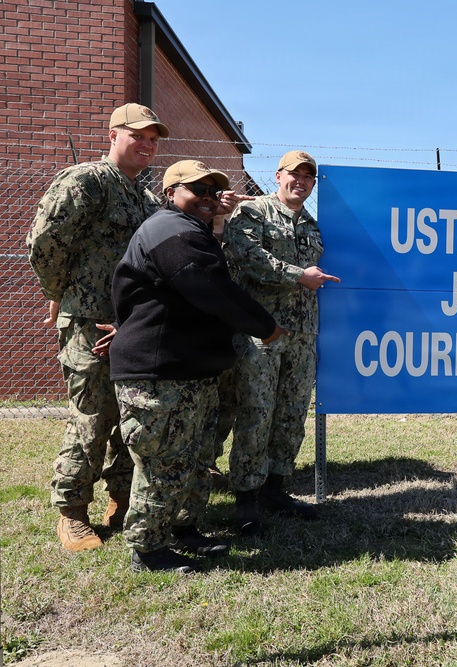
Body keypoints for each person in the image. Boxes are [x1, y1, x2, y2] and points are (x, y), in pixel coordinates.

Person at [110, 160, 283, 573]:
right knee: (164, 461)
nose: (207, 197)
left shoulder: (191, 231)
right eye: (196, 190)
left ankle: (184, 529)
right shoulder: (172, 231)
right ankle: (147, 549)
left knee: (194, 458)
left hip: (188, 370)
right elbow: (208, 287)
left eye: (211, 191)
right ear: (170, 193)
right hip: (159, 374)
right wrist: (266, 327)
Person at [27, 103, 168, 551]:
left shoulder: (144, 197)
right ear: (112, 135)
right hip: (89, 320)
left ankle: (121, 498)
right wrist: (63, 295)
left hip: (133, 323)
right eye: (137, 135)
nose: (146, 144)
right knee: (93, 416)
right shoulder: (85, 181)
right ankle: (71, 512)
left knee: (131, 414)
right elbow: (44, 244)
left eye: (153, 139)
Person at [225, 150, 339, 535]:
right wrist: (297, 275)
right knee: (256, 413)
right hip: (262, 332)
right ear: (278, 175)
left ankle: (275, 489)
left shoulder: (312, 224)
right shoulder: (253, 213)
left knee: (291, 414)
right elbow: (248, 258)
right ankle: (245, 499)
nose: (301, 181)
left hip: (303, 335)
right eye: (295, 174)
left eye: (308, 177)